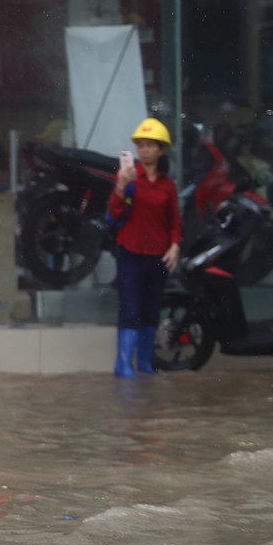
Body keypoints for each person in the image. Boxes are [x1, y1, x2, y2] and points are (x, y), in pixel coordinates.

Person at [109, 117, 181, 377]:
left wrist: (174, 247)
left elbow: (175, 221)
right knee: (130, 310)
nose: (145, 150)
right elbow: (115, 214)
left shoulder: (168, 186)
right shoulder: (128, 178)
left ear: (161, 150)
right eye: (141, 145)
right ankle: (123, 366)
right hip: (131, 254)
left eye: (151, 145)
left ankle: (145, 364)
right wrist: (120, 187)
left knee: (151, 311)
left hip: (158, 257)